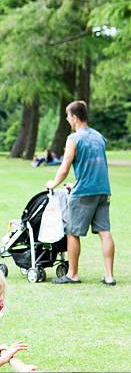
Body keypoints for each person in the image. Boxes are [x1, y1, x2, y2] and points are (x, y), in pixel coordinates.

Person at [47, 100, 115, 285]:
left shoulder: (74, 139)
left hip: (84, 193)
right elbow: (93, 166)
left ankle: (72, 274)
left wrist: (53, 184)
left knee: (72, 232)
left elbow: (64, 167)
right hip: (102, 190)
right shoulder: (99, 137)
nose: (68, 120)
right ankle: (109, 276)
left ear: (75, 117)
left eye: (68, 116)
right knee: (105, 231)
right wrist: (74, 184)